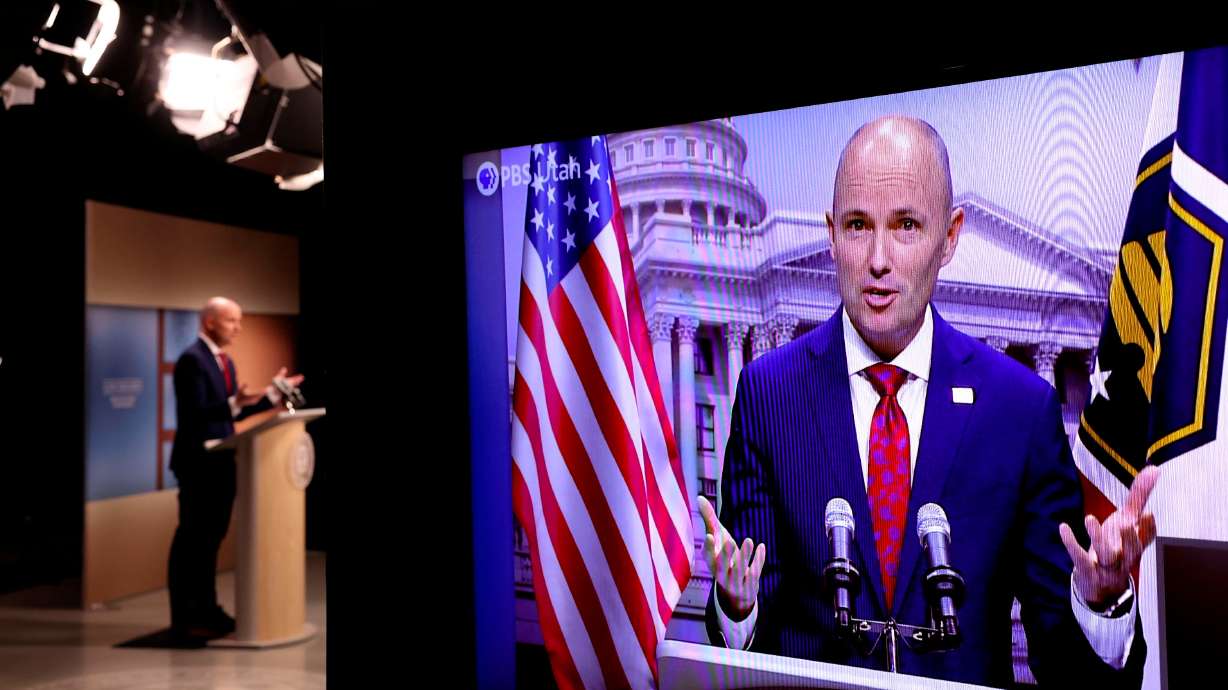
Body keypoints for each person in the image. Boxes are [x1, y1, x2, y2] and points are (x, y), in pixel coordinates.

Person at [700, 116, 1156, 687]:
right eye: (859, 225)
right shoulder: (770, 394)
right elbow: (746, 647)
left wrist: (1101, 604)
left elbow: (1070, 672)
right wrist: (737, 611)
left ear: (949, 237)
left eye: (908, 225)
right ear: (832, 234)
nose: (879, 260)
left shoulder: (1018, 410)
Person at [167, 296, 304, 639]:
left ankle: (208, 609)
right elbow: (198, 415)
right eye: (232, 321)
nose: (238, 328)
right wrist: (234, 402)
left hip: (221, 464)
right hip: (199, 465)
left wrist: (269, 398)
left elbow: (229, 415)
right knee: (193, 542)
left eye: (239, 321)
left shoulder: (223, 362)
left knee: (211, 541)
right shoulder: (191, 361)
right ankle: (186, 617)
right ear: (210, 322)